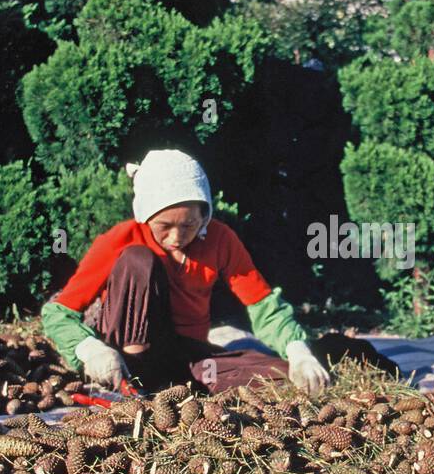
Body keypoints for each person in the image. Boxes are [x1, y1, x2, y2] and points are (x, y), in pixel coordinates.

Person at [41, 149, 333, 396]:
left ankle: (171, 385)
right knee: (137, 260)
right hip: (127, 357)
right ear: (145, 213)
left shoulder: (219, 239)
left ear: (204, 215)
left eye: (189, 225)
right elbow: (58, 312)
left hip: (186, 354)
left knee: (279, 376)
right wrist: (89, 349)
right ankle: (134, 382)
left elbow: (261, 303)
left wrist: (297, 351)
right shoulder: (121, 239)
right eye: (164, 226)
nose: (176, 237)